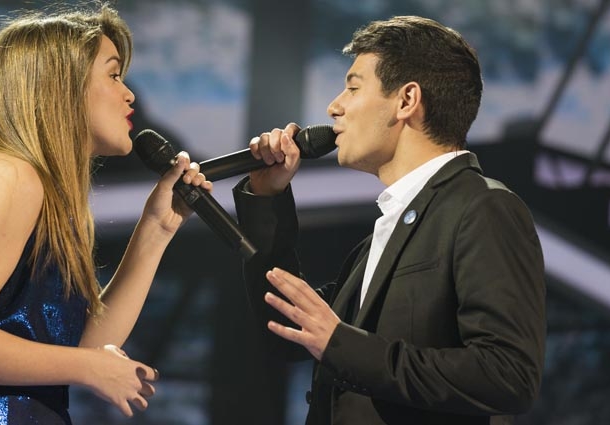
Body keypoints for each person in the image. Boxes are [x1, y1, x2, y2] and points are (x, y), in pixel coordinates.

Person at [0, 4, 211, 424]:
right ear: (61, 85)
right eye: (114, 74)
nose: (129, 94)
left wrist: (157, 227)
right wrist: (91, 369)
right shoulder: (11, 177)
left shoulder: (30, 185)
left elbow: (84, 346)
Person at [232, 15, 546, 425]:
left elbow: (508, 375)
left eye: (352, 86)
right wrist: (267, 197)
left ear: (406, 100)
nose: (334, 107)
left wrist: (343, 345)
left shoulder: (484, 208)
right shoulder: (389, 229)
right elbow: (292, 327)